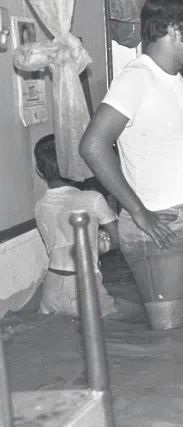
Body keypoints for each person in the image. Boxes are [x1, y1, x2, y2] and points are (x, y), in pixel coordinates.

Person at [80, 0, 183, 331]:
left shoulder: (172, 78)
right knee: (169, 337)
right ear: (174, 30)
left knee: (179, 328)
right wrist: (138, 212)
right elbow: (93, 145)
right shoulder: (136, 78)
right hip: (159, 223)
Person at [34, 135, 119, 317]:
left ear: (39, 171)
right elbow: (119, 240)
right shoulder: (92, 198)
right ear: (77, 164)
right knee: (115, 327)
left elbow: (61, 246)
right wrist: (100, 246)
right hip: (84, 284)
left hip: (51, 286)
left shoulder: (40, 206)